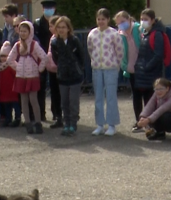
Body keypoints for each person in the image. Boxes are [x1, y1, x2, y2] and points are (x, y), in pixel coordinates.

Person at [87, 8, 124, 136]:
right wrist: (95, 62)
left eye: (103, 19)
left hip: (111, 69)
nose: (101, 21)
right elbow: (90, 49)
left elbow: (120, 51)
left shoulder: (114, 34)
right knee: (98, 97)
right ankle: (99, 124)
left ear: (108, 19)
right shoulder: (92, 34)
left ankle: (112, 125)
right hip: (97, 69)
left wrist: (117, 64)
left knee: (111, 97)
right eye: (99, 19)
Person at [7, 21, 47, 134]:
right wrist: (18, 67)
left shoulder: (34, 44)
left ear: (30, 32)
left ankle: (38, 123)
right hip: (21, 76)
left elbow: (44, 57)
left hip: (32, 75)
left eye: (25, 31)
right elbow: (10, 59)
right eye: (21, 31)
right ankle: (28, 123)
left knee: (33, 99)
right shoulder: (17, 45)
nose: (23, 33)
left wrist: (40, 69)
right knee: (23, 100)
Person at [133, 9, 167, 133]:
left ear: (153, 20)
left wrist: (146, 67)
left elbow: (158, 55)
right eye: (141, 19)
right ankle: (145, 124)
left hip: (151, 73)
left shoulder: (156, 34)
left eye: (146, 19)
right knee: (145, 100)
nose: (143, 22)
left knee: (151, 101)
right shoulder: (145, 34)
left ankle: (153, 126)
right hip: (143, 73)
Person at [50, 16, 84, 137]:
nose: (61, 29)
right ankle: (67, 124)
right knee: (64, 102)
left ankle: (73, 125)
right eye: (58, 27)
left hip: (75, 76)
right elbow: (55, 58)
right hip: (62, 77)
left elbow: (81, 56)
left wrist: (78, 68)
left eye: (63, 27)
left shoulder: (74, 40)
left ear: (68, 28)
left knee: (73, 102)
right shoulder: (54, 43)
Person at [115, 11, 142, 131]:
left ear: (129, 19)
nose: (120, 25)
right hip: (131, 69)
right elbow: (119, 53)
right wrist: (125, 66)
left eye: (122, 22)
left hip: (143, 68)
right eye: (118, 23)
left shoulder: (139, 29)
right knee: (136, 96)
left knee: (148, 96)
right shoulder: (120, 34)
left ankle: (150, 121)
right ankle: (139, 121)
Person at [34, 0, 56, 123]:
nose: (49, 11)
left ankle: (56, 113)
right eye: (46, 8)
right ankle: (41, 113)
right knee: (40, 87)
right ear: (43, 10)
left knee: (55, 86)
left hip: (54, 58)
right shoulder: (37, 23)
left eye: (51, 8)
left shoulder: (57, 22)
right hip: (41, 58)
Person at [0, 41, 20, 127]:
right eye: (2, 56)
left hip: (12, 89)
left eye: (5, 56)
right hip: (3, 90)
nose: (3, 58)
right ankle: (8, 118)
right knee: (7, 106)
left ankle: (17, 118)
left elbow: (16, 77)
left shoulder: (12, 66)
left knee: (15, 105)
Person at [45, 16, 62, 128]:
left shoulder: (61, 39)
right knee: (55, 93)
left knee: (62, 94)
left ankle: (63, 115)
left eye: (51, 25)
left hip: (60, 70)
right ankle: (57, 115)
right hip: (52, 69)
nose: (49, 28)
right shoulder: (52, 38)